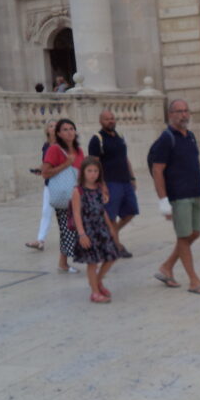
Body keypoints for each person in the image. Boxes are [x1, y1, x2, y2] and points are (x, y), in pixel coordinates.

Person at [151, 99, 200, 294]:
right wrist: (163, 201)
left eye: (186, 111)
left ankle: (167, 267)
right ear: (170, 115)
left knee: (194, 233)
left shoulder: (190, 136)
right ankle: (194, 281)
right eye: (179, 111)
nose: (183, 115)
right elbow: (157, 170)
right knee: (184, 236)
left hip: (195, 191)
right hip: (178, 195)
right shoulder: (166, 138)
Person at [88, 109, 138, 258]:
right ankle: (117, 246)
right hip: (110, 183)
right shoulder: (97, 139)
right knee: (111, 217)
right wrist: (101, 185)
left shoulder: (119, 136)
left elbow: (125, 158)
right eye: (106, 119)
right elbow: (93, 165)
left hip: (125, 181)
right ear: (100, 121)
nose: (110, 121)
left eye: (112, 118)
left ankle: (111, 235)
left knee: (130, 212)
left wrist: (132, 177)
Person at [71, 157, 121, 303]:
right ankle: (94, 292)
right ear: (83, 173)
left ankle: (97, 281)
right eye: (89, 171)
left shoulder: (99, 189)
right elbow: (76, 213)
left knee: (112, 256)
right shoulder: (78, 191)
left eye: (95, 171)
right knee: (92, 262)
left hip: (101, 228)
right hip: (88, 230)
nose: (93, 174)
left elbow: (102, 209)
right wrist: (81, 234)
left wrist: (110, 227)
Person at [41, 118, 84, 273]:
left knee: (72, 227)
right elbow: (45, 172)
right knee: (68, 228)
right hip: (63, 195)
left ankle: (63, 262)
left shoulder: (78, 150)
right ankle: (64, 263)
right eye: (65, 129)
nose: (69, 132)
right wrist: (66, 164)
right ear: (58, 133)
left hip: (78, 195)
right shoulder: (54, 149)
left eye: (71, 128)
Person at [25, 119, 57, 251]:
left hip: (63, 183)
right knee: (46, 211)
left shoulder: (64, 145)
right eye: (50, 126)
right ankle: (40, 240)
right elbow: (45, 163)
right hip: (50, 183)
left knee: (72, 212)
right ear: (47, 130)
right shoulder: (46, 146)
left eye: (56, 126)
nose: (53, 128)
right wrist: (40, 170)